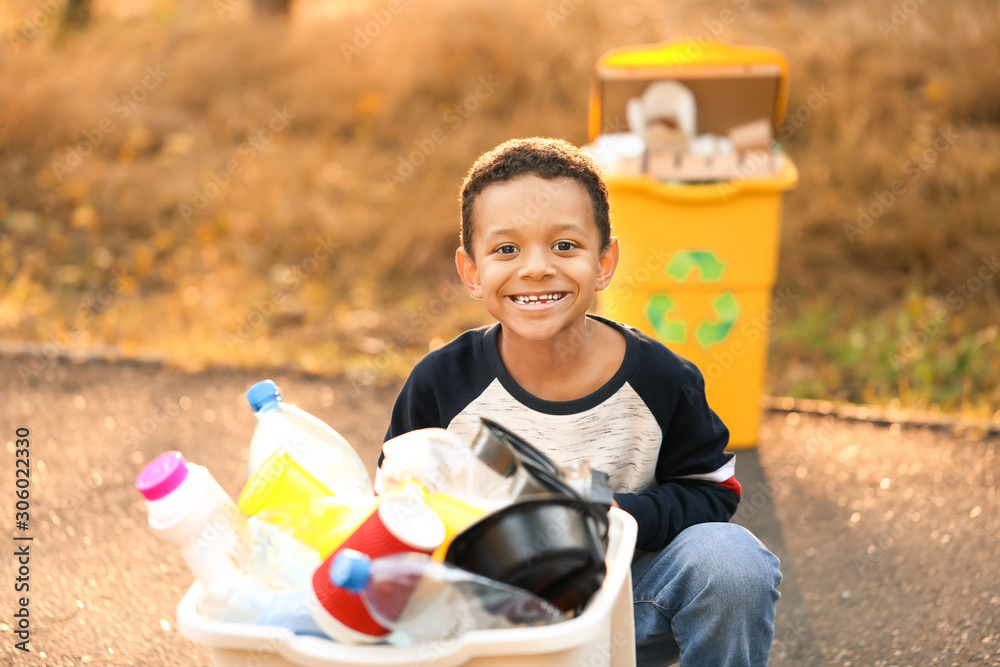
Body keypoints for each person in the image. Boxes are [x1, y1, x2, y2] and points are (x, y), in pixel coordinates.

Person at [378, 137, 781, 666]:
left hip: (619, 613)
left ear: (605, 260)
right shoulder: (442, 382)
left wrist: (619, 513)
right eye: (506, 250)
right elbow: (392, 500)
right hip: (485, 625)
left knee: (733, 564)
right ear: (471, 271)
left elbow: (712, 490)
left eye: (565, 246)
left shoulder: (663, 379)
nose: (537, 268)